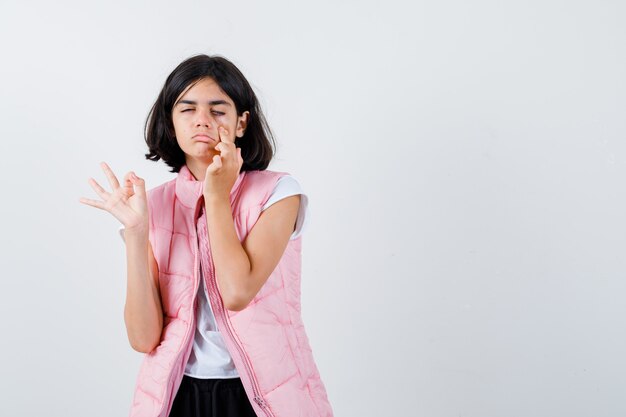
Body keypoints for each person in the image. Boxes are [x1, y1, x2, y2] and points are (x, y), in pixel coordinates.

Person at [79, 54, 333, 417]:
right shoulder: (152, 205)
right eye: (187, 109)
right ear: (170, 121)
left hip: (261, 396)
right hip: (176, 395)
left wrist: (216, 194)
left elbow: (236, 291)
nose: (202, 120)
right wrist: (136, 235)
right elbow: (143, 338)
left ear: (241, 123)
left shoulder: (278, 193)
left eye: (218, 110)